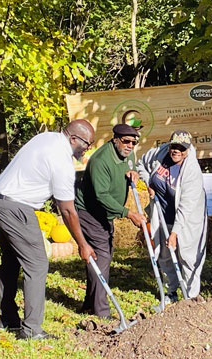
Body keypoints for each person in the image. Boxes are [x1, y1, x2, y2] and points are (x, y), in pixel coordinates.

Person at [0, 119, 96, 340]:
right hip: (17, 207)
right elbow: (67, 210)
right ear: (73, 139)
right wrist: (83, 245)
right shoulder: (62, 160)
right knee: (37, 263)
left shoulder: (46, 138)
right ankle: (31, 330)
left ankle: (8, 319)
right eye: (87, 143)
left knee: (11, 260)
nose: (88, 148)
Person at [75, 124, 146, 318]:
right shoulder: (101, 161)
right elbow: (102, 196)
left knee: (99, 257)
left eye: (134, 142)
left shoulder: (128, 154)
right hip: (89, 212)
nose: (130, 145)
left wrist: (133, 175)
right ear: (115, 139)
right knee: (102, 257)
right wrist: (128, 213)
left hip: (104, 214)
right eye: (126, 141)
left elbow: (130, 168)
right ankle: (102, 313)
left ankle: (89, 304)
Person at [137, 130, 207, 302]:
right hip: (162, 214)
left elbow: (186, 206)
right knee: (164, 254)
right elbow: (141, 165)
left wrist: (175, 233)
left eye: (181, 148)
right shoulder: (160, 153)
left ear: (188, 150)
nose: (176, 150)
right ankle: (171, 292)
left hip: (187, 219)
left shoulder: (192, 170)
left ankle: (191, 296)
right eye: (173, 146)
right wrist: (149, 183)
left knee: (188, 256)